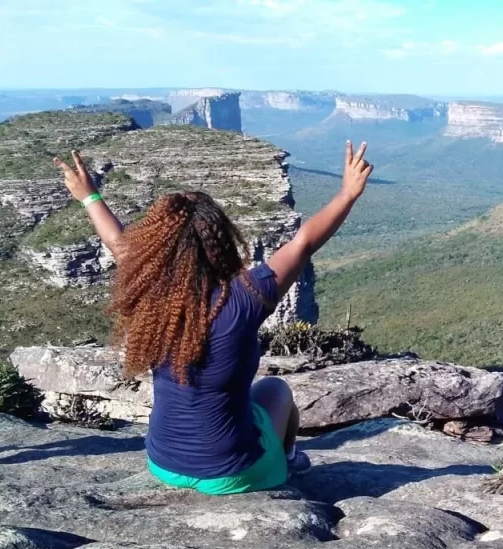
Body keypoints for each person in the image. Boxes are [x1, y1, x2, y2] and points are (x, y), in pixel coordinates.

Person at [53, 141, 374, 495]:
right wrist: (347, 194)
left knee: (250, 401)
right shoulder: (244, 297)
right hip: (234, 473)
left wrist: (90, 197)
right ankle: (289, 460)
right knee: (275, 390)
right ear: (221, 241)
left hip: (164, 463)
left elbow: (119, 244)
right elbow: (302, 244)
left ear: (155, 247)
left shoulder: (149, 289)